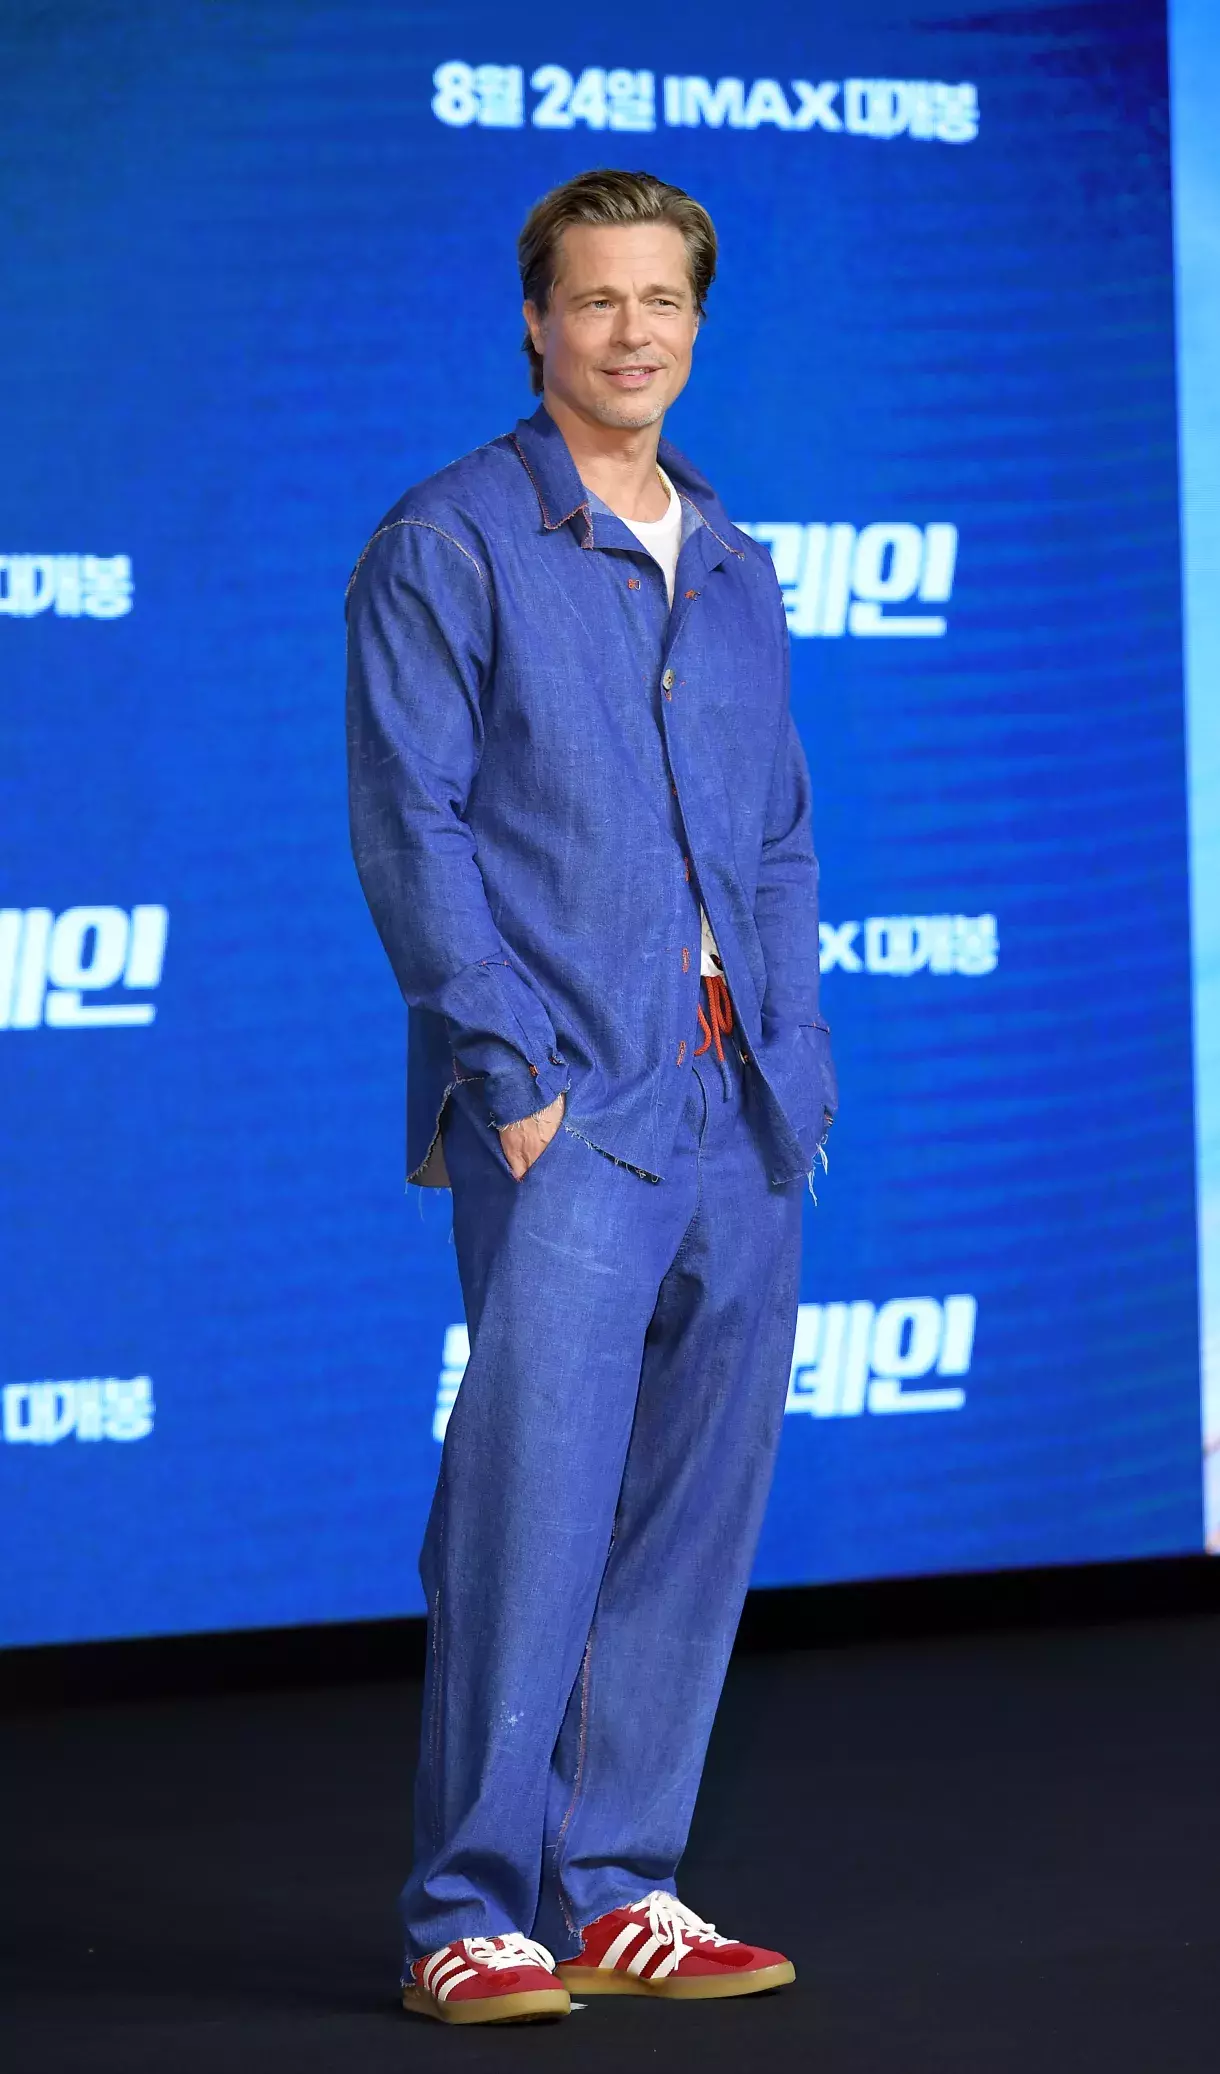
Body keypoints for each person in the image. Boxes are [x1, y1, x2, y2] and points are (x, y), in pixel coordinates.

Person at [346, 168, 837, 2027]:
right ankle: (466, 1909)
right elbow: (412, 825)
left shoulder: (734, 556)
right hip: (567, 1099)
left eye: (663, 300)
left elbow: (776, 835)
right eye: (597, 298)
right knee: (529, 1507)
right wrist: (512, 1075)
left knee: (695, 1510)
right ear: (538, 322)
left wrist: (797, 1055)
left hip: (739, 1103)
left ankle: (619, 1882)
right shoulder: (450, 537)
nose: (634, 331)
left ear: (696, 324)